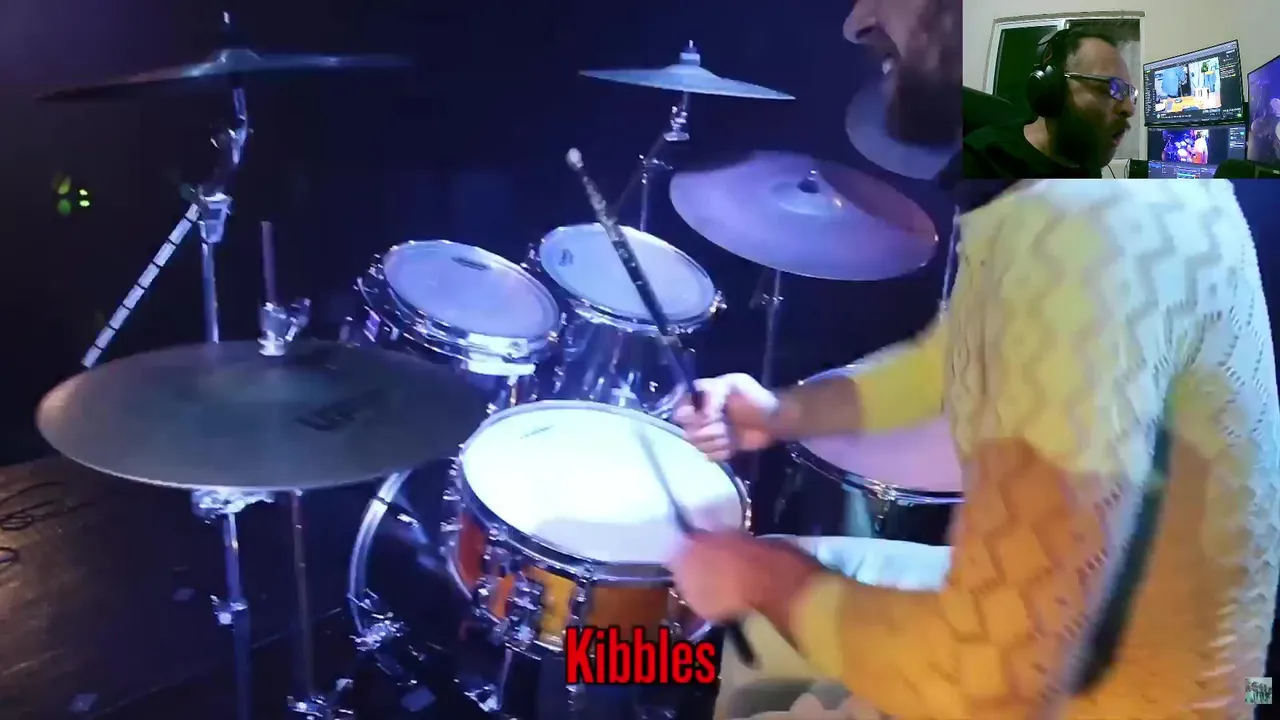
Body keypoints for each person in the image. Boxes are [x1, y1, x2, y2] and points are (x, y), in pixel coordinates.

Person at [670, 180, 1279, 719]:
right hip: (1093, 640)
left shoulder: (1087, 228)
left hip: (1132, 699)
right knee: (770, 598)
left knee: (764, 606)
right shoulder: (1076, 183)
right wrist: (781, 413)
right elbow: (951, 357)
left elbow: (989, 686)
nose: (856, 47)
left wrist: (764, 579)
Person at [963, 29, 1135, 179]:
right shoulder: (977, 164)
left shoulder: (1086, 162)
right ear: (1053, 86)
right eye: (1111, 87)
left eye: (1129, 93)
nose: (1130, 109)